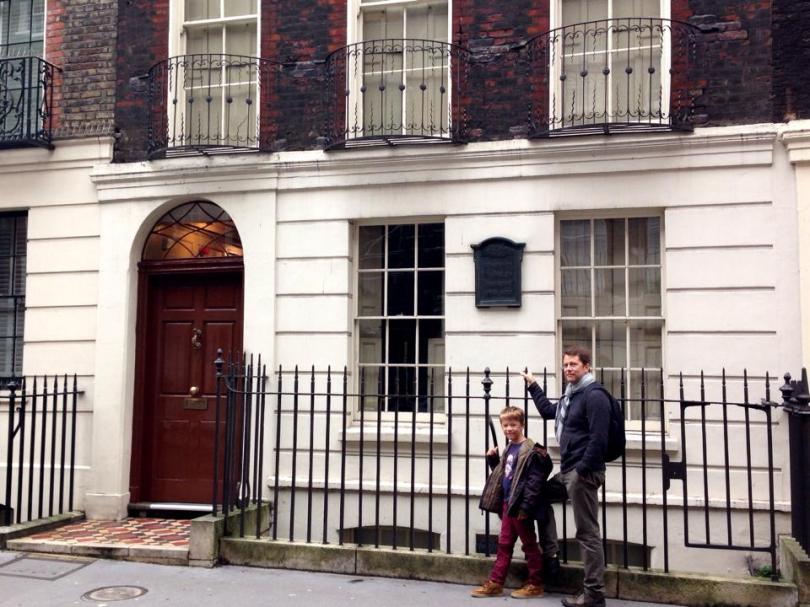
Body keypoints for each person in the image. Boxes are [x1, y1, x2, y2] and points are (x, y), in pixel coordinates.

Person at [521, 345, 610, 607]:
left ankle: (594, 595)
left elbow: (599, 439)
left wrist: (581, 471)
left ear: (587, 366)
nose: (568, 368)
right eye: (566, 364)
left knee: (587, 533)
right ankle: (551, 556)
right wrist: (533, 385)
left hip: (583, 473)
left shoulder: (594, 395)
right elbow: (549, 411)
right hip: (569, 472)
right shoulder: (571, 396)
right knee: (537, 496)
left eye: (574, 364)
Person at [470, 405, 553, 599]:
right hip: (508, 504)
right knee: (504, 543)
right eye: (505, 425)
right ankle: (496, 583)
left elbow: (534, 483)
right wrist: (493, 460)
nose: (509, 429)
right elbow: (504, 475)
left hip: (520, 506)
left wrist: (525, 508)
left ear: (522, 425)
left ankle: (535, 583)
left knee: (529, 544)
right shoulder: (509, 448)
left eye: (513, 425)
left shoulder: (532, 450)